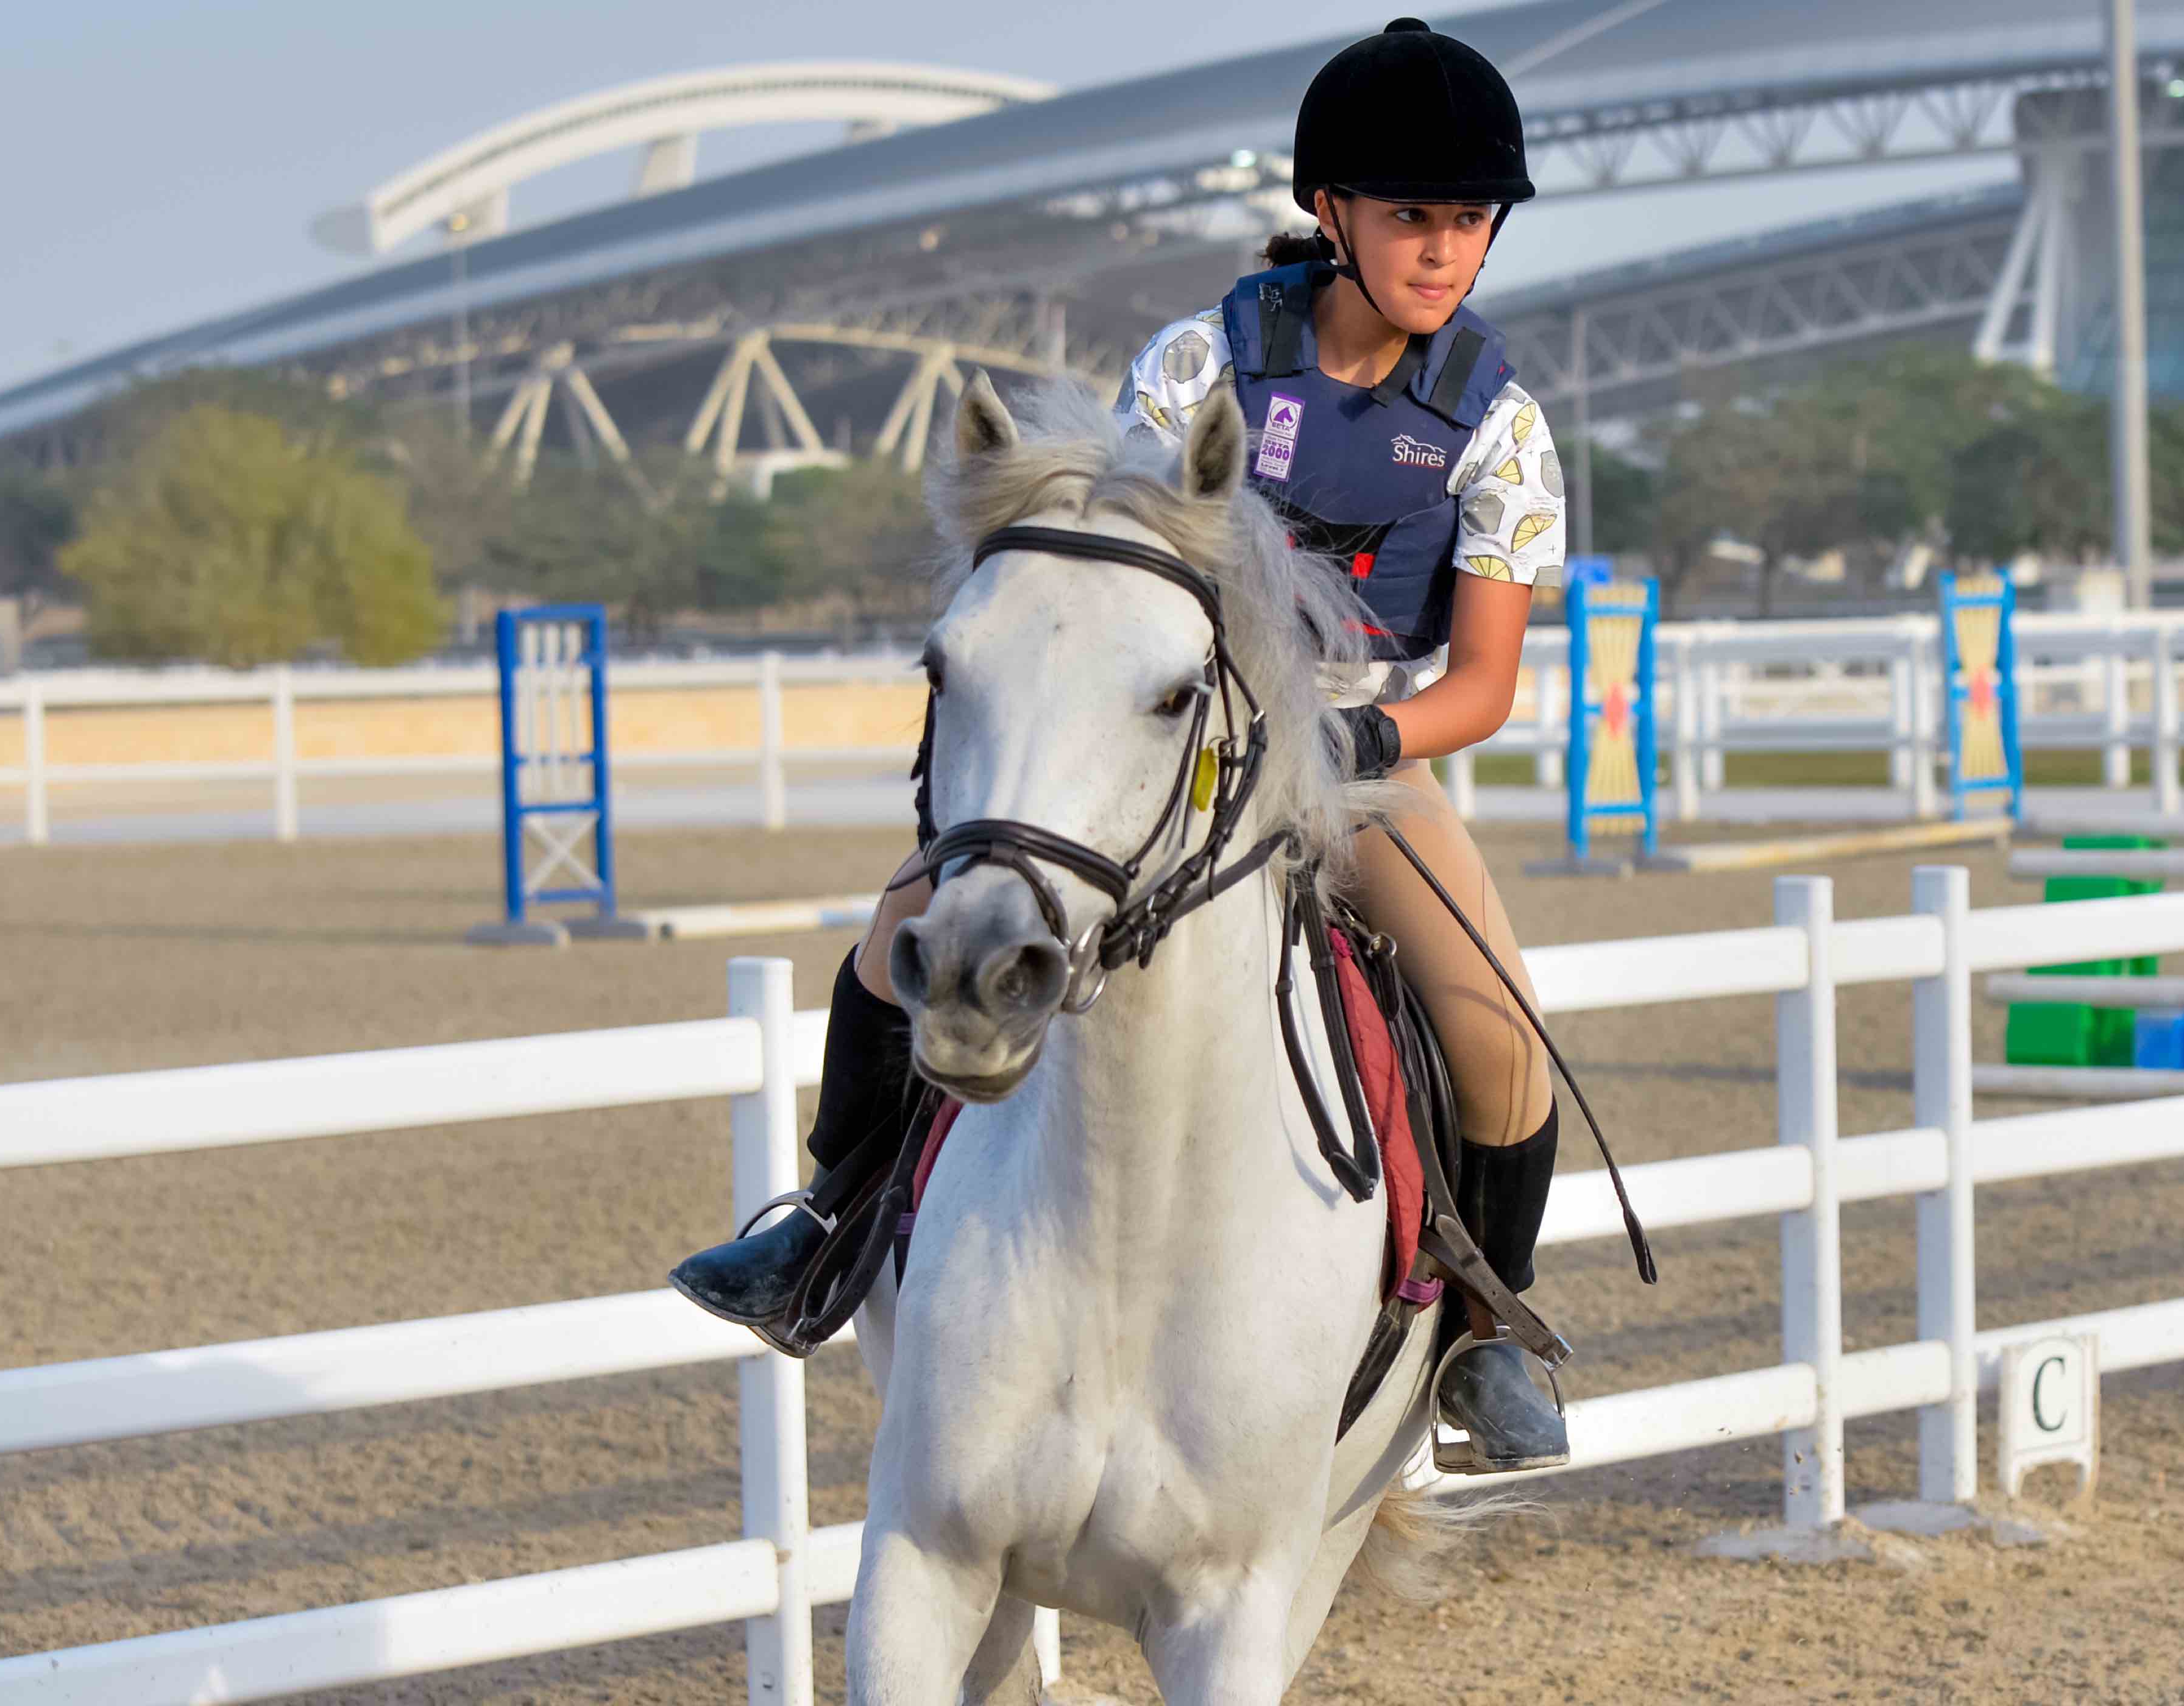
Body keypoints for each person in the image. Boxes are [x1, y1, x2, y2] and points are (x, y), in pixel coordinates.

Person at [671, 16, 1569, 1474]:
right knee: (899, 935)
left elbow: (1483, 685)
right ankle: (824, 1227)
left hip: (1362, 761)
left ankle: (1482, 1330)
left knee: (1494, 1032)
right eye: (1413, 215)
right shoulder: (1197, 364)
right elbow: (1101, 586)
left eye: (1469, 221)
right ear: (1330, 210)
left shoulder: (1501, 427)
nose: (1444, 249)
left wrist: (1348, 724)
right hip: (1175, 752)